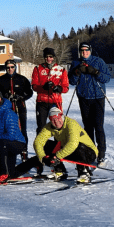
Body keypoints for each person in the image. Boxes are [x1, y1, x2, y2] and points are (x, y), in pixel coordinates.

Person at [11, 107, 98, 183]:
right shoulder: (49, 127)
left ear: (62, 117)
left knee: (78, 145)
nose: (56, 122)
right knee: (46, 145)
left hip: (88, 153)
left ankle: (84, 172)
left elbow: (73, 144)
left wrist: (57, 156)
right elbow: (38, 142)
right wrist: (43, 157)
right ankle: (59, 170)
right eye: (53, 120)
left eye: (58, 118)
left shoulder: (71, 124)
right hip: (71, 152)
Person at [68, 43, 111, 164]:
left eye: (86, 50)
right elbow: (71, 81)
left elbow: (107, 78)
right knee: (88, 127)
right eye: (82, 50)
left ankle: (101, 154)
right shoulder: (75, 63)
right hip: (83, 98)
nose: (84, 52)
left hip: (98, 97)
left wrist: (96, 72)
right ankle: (90, 152)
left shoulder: (98, 61)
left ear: (90, 50)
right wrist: (77, 72)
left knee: (99, 126)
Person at [30, 47, 69, 175]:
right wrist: (43, 87)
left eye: (51, 56)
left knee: (58, 129)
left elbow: (66, 87)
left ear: (54, 57)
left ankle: (57, 158)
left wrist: (59, 88)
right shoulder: (38, 69)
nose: (49, 59)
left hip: (55, 101)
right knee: (41, 128)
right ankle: (41, 157)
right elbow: (34, 86)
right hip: (42, 102)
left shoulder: (61, 69)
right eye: (47, 57)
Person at [0, 89, 27, 183]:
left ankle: (3, 173)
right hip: (5, 144)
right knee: (12, 173)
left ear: (1, 99)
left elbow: (10, 135)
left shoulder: (8, 113)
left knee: (0, 142)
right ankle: (35, 162)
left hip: (17, 143)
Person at [0, 59, 34, 154]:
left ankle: (24, 151)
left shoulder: (22, 79)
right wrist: (4, 97)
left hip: (20, 107)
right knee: (7, 130)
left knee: (22, 130)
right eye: (8, 67)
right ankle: (9, 151)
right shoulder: (0, 80)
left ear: (15, 67)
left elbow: (29, 92)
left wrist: (21, 97)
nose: (10, 69)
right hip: (6, 109)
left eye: (12, 67)